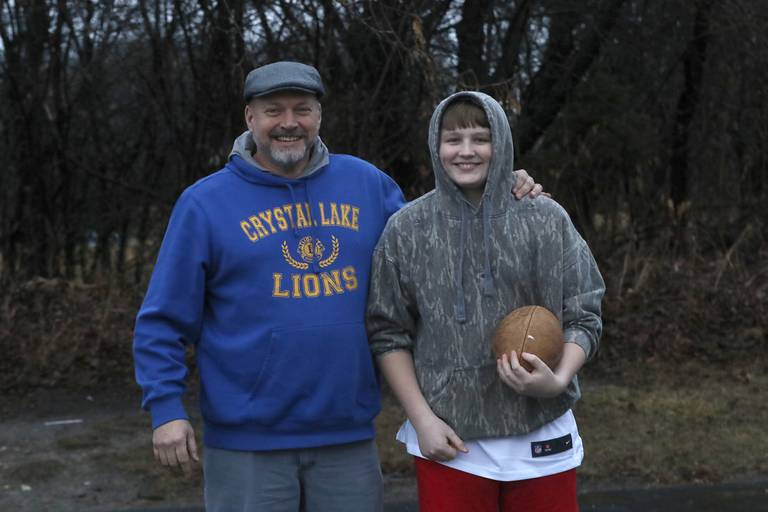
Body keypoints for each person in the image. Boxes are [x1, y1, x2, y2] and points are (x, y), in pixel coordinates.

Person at [133, 62, 542, 511]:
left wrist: (499, 186)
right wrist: (166, 409)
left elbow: (438, 247)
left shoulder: (366, 185)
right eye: (274, 111)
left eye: (302, 109)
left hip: (346, 437)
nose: (289, 123)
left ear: (319, 117)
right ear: (250, 118)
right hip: (247, 441)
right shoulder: (205, 204)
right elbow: (163, 320)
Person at [366, 91, 605, 512]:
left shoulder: (545, 218)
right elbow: (387, 332)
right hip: (450, 438)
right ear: (435, 146)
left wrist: (559, 378)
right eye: (453, 139)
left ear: (502, 143)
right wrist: (422, 419)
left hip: (540, 430)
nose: (466, 151)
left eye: (481, 138)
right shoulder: (407, 229)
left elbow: (584, 312)